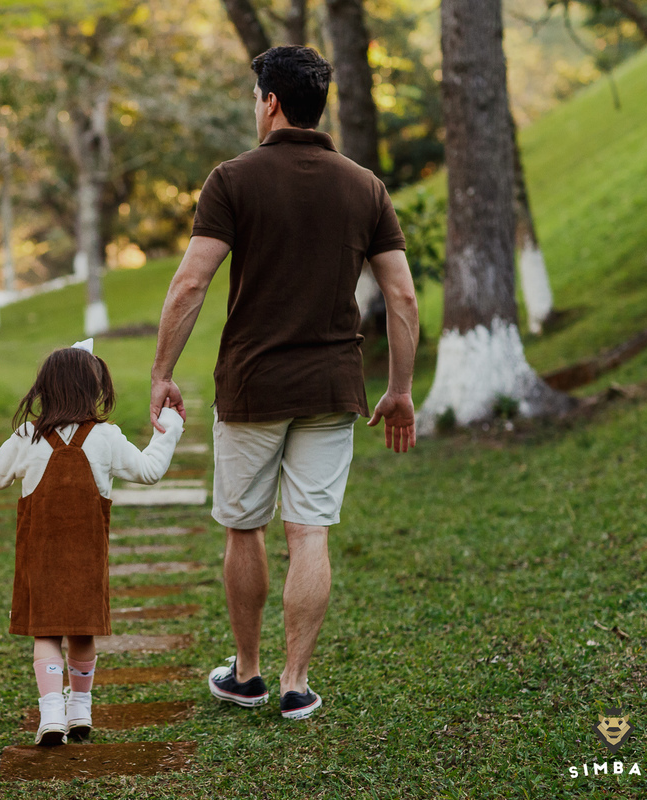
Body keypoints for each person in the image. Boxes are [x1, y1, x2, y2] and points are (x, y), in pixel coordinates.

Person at [149, 45, 420, 721]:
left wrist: (161, 374)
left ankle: (248, 673)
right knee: (310, 533)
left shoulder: (232, 179)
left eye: (254, 98)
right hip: (333, 388)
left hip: (252, 386)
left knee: (244, 529)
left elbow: (190, 283)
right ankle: (297, 683)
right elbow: (403, 298)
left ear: (270, 101)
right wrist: (401, 388)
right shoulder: (365, 187)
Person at [0, 341, 184, 745]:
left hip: (40, 557)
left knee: (45, 633)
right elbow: (150, 470)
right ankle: (80, 709)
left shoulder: (28, 435)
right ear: (93, 389)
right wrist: (170, 430)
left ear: (45, 389)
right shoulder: (105, 436)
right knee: (83, 632)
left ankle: (50, 714)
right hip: (87, 557)